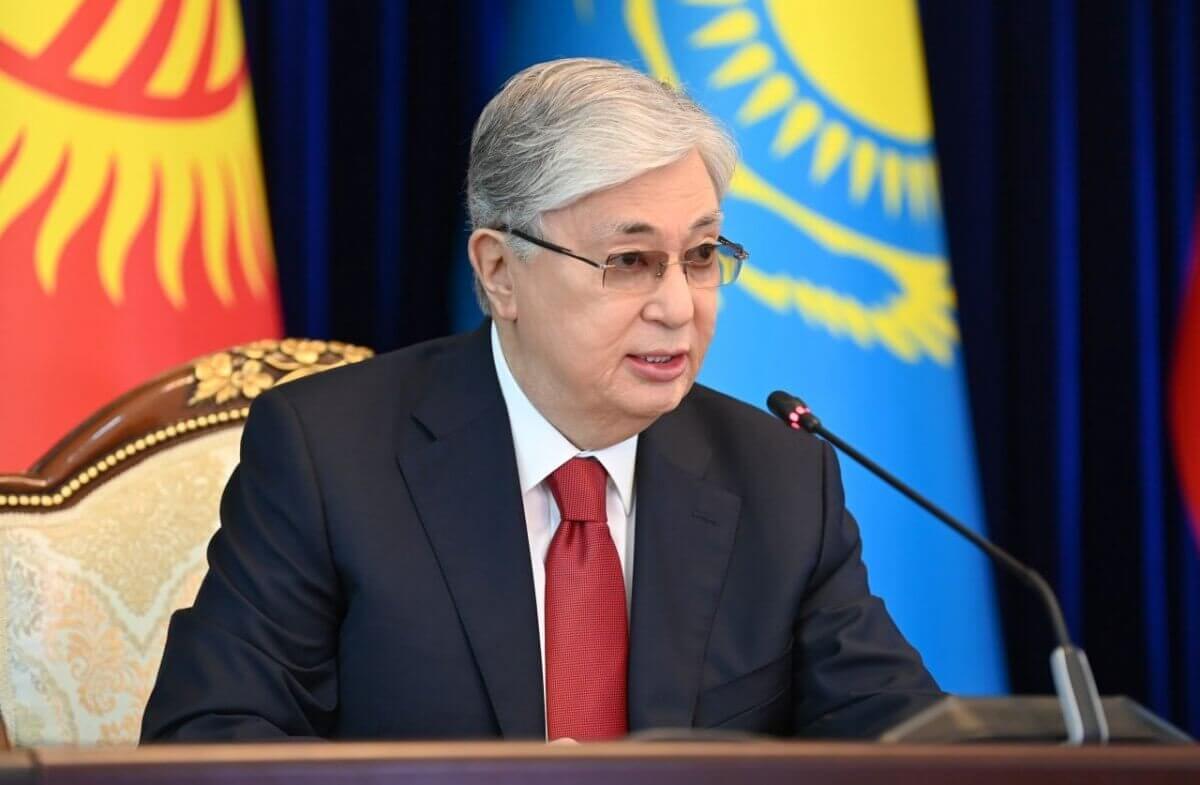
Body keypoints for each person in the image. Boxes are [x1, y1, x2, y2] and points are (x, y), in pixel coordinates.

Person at [141, 57, 941, 743]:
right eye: (630, 260)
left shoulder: (780, 480)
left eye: (700, 256)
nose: (678, 306)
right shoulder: (331, 457)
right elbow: (208, 739)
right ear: (499, 272)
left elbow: (910, 744)